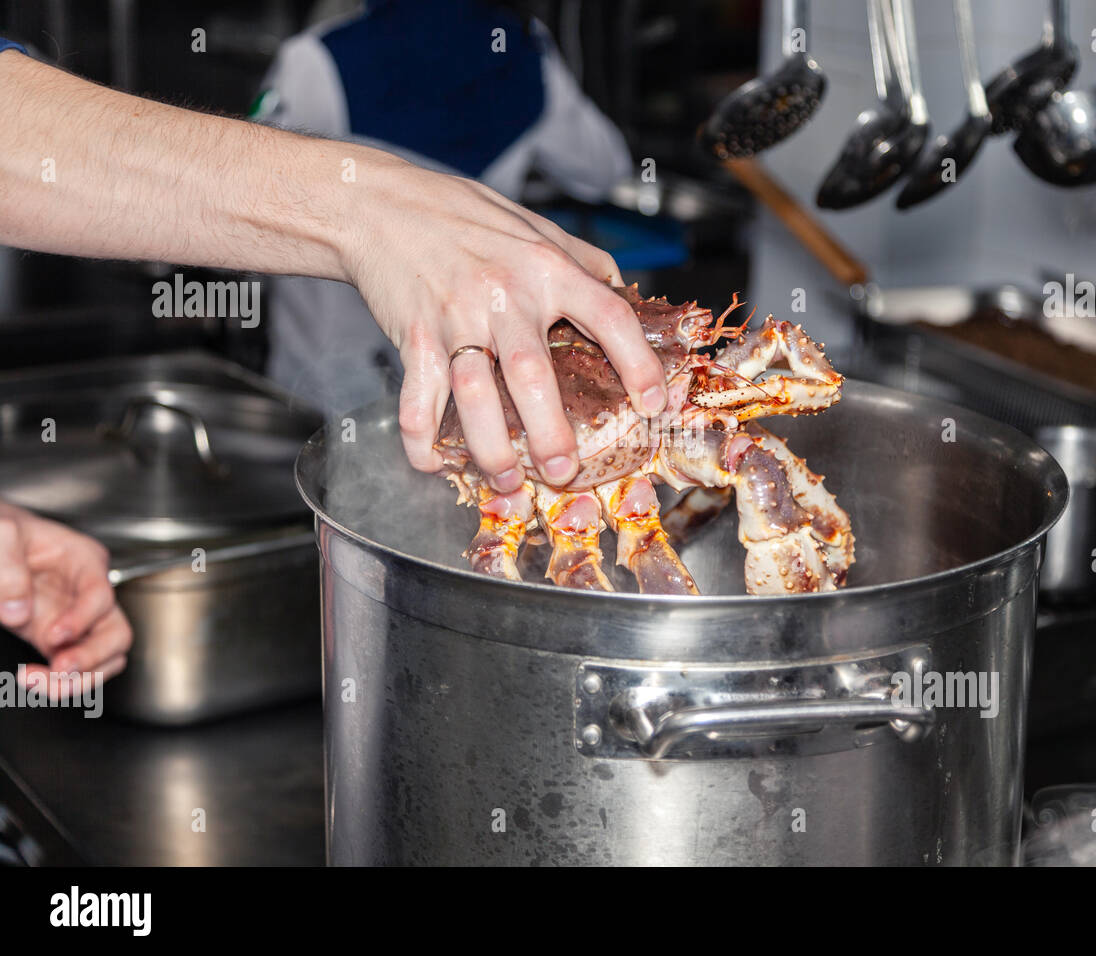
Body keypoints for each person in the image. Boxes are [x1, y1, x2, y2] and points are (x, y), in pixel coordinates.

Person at [0, 32, 666, 681]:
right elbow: (603, 167)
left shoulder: (314, 60)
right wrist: (364, 208)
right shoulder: (532, 61)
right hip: (408, 384)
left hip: (377, 377)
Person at [254, 0, 634, 419]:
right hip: (462, 360)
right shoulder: (524, 53)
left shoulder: (317, 56)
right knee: (444, 454)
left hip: (325, 363)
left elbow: (257, 190)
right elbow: (604, 171)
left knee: (323, 463)